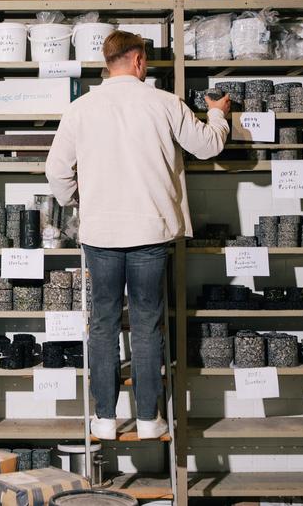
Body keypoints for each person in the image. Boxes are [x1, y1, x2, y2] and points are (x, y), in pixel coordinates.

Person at [45, 31, 231, 440]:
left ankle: (105, 420)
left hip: (101, 234)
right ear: (139, 61)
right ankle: (149, 420)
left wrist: (81, 202)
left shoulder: (81, 109)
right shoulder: (164, 104)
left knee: (104, 325)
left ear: (107, 63)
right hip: (150, 231)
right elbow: (206, 146)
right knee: (147, 326)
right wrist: (217, 113)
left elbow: (56, 173)